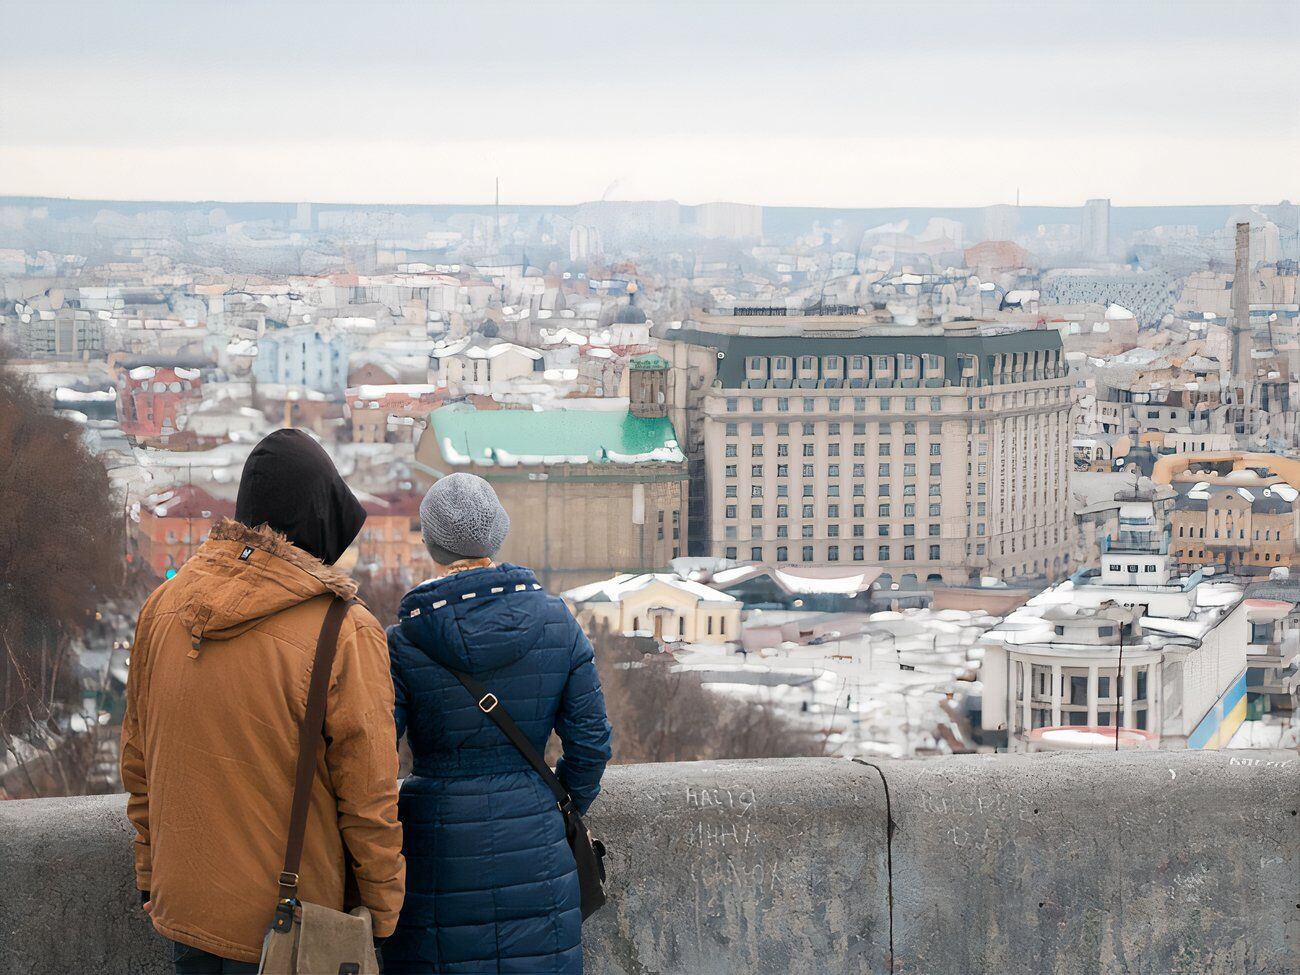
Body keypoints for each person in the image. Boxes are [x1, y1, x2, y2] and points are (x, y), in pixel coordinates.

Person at [120, 429, 406, 974]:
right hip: (294, 927)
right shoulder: (343, 631)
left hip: (186, 908)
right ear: (322, 514)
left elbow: (139, 763)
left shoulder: (163, 606)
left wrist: (150, 874)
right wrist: (383, 913)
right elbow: (368, 798)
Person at [383, 473, 612, 974]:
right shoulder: (557, 621)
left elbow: (374, 762)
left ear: (429, 542)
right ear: (499, 532)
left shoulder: (404, 641)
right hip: (537, 845)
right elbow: (591, 743)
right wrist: (556, 804)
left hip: (435, 848)